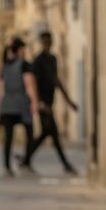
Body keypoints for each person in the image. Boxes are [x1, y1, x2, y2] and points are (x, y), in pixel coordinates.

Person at [22, 31, 78, 175]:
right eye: (45, 41)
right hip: (42, 104)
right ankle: (64, 164)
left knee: (48, 133)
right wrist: (39, 102)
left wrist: (69, 101)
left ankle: (26, 158)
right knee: (51, 133)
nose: (47, 44)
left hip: (49, 102)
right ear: (42, 42)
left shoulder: (53, 59)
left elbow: (56, 80)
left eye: (49, 41)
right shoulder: (38, 61)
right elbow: (33, 84)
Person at [0, 37, 36, 177]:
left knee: (8, 137)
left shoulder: (4, 66)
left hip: (7, 105)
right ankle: (27, 161)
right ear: (19, 50)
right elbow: (29, 85)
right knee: (30, 134)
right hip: (21, 104)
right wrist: (34, 103)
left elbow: (1, 88)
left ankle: (7, 166)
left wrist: (0, 107)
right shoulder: (24, 65)